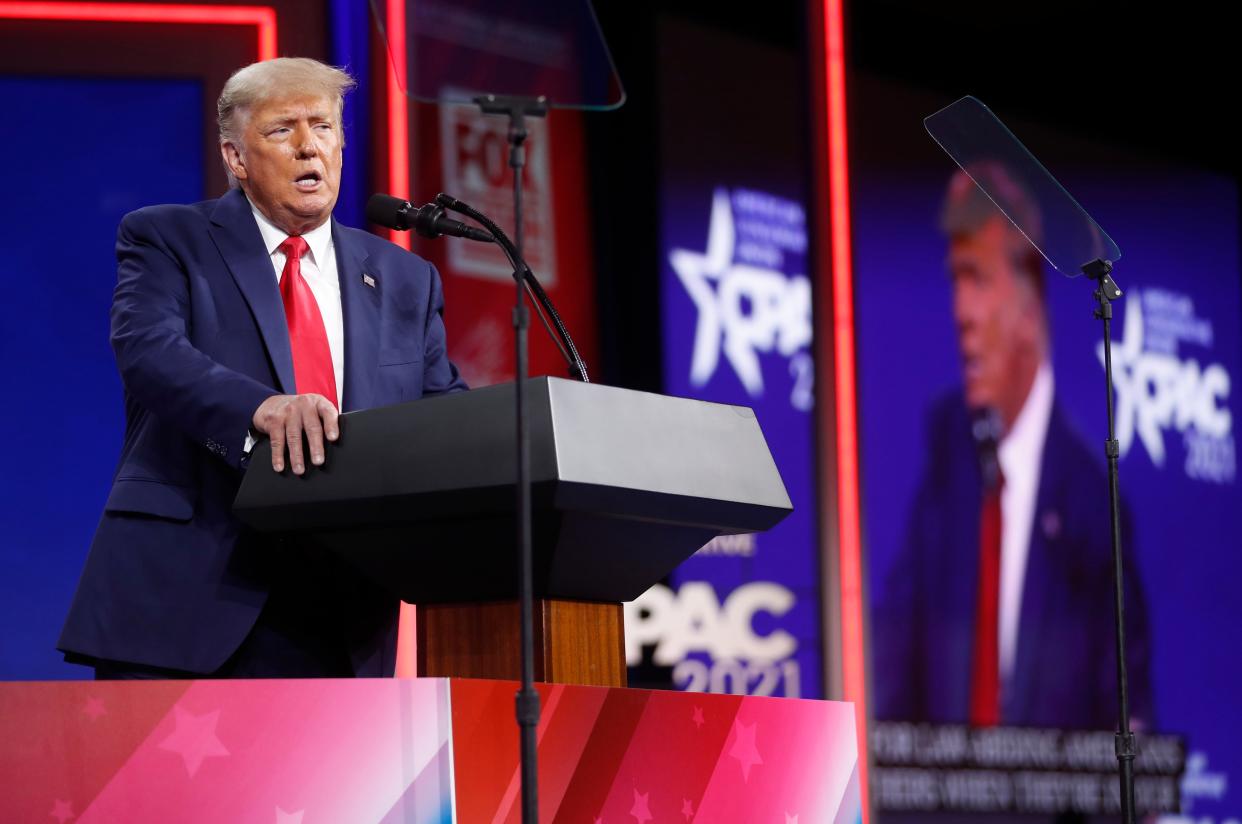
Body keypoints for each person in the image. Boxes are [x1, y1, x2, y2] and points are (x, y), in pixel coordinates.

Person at [58, 58, 466, 679]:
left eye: (324, 126)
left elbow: (443, 413)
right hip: (192, 596)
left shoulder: (405, 277)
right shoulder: (169, 238)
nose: (309, 146)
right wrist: (260, 408)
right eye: (282, 130)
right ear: (236, 158)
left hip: (344, 612)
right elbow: (149, 350)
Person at [872, 164, 1153, 729]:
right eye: (954, 280)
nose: (961, 313)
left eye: (976, 279)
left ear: (1029, 302)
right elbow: (891, 677)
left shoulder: (1093, 507)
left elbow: (1129, 720)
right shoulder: (946, 454)